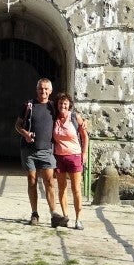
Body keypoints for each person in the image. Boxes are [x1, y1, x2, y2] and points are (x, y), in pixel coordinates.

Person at [15, 78, 69, 228]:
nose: (43, 91)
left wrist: (82, 121)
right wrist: (25, 134)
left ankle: (54, 214)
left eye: (46, 89)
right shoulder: (28, 105)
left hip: (46, 150)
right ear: (36, 89)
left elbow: (67, 113)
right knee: (32, 181)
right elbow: (17, 125)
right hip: (29, 150)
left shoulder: (53, 107)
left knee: (50, 182)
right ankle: (34, 213)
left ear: (50, 91)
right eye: (41, 88)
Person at [51, 92, 89, 230]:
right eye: (60, 103)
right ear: (57, 105)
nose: (63, 106)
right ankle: (65, 216)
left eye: (65, 103)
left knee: (76, 189)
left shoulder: (74, 117)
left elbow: (85, 136)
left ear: (69, 105)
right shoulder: (54, 118)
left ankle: (78, 219)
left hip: (74, 156)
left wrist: (84, 153)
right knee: (62, 188)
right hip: (59, 157)